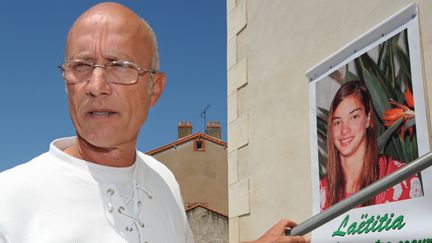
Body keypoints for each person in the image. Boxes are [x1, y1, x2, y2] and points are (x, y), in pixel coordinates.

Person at [0, 2, 308, 243]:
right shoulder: (9, 199)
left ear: (155, 89)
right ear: (65, 80)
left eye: (119, 66)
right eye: (80, 66)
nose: (96, 84)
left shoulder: (164, 180)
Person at [320, 80, 423, 211]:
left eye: (354, 117)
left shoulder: (401, 178)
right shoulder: (322, 192)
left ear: (368, 119)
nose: (344, 130)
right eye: (337, 122)